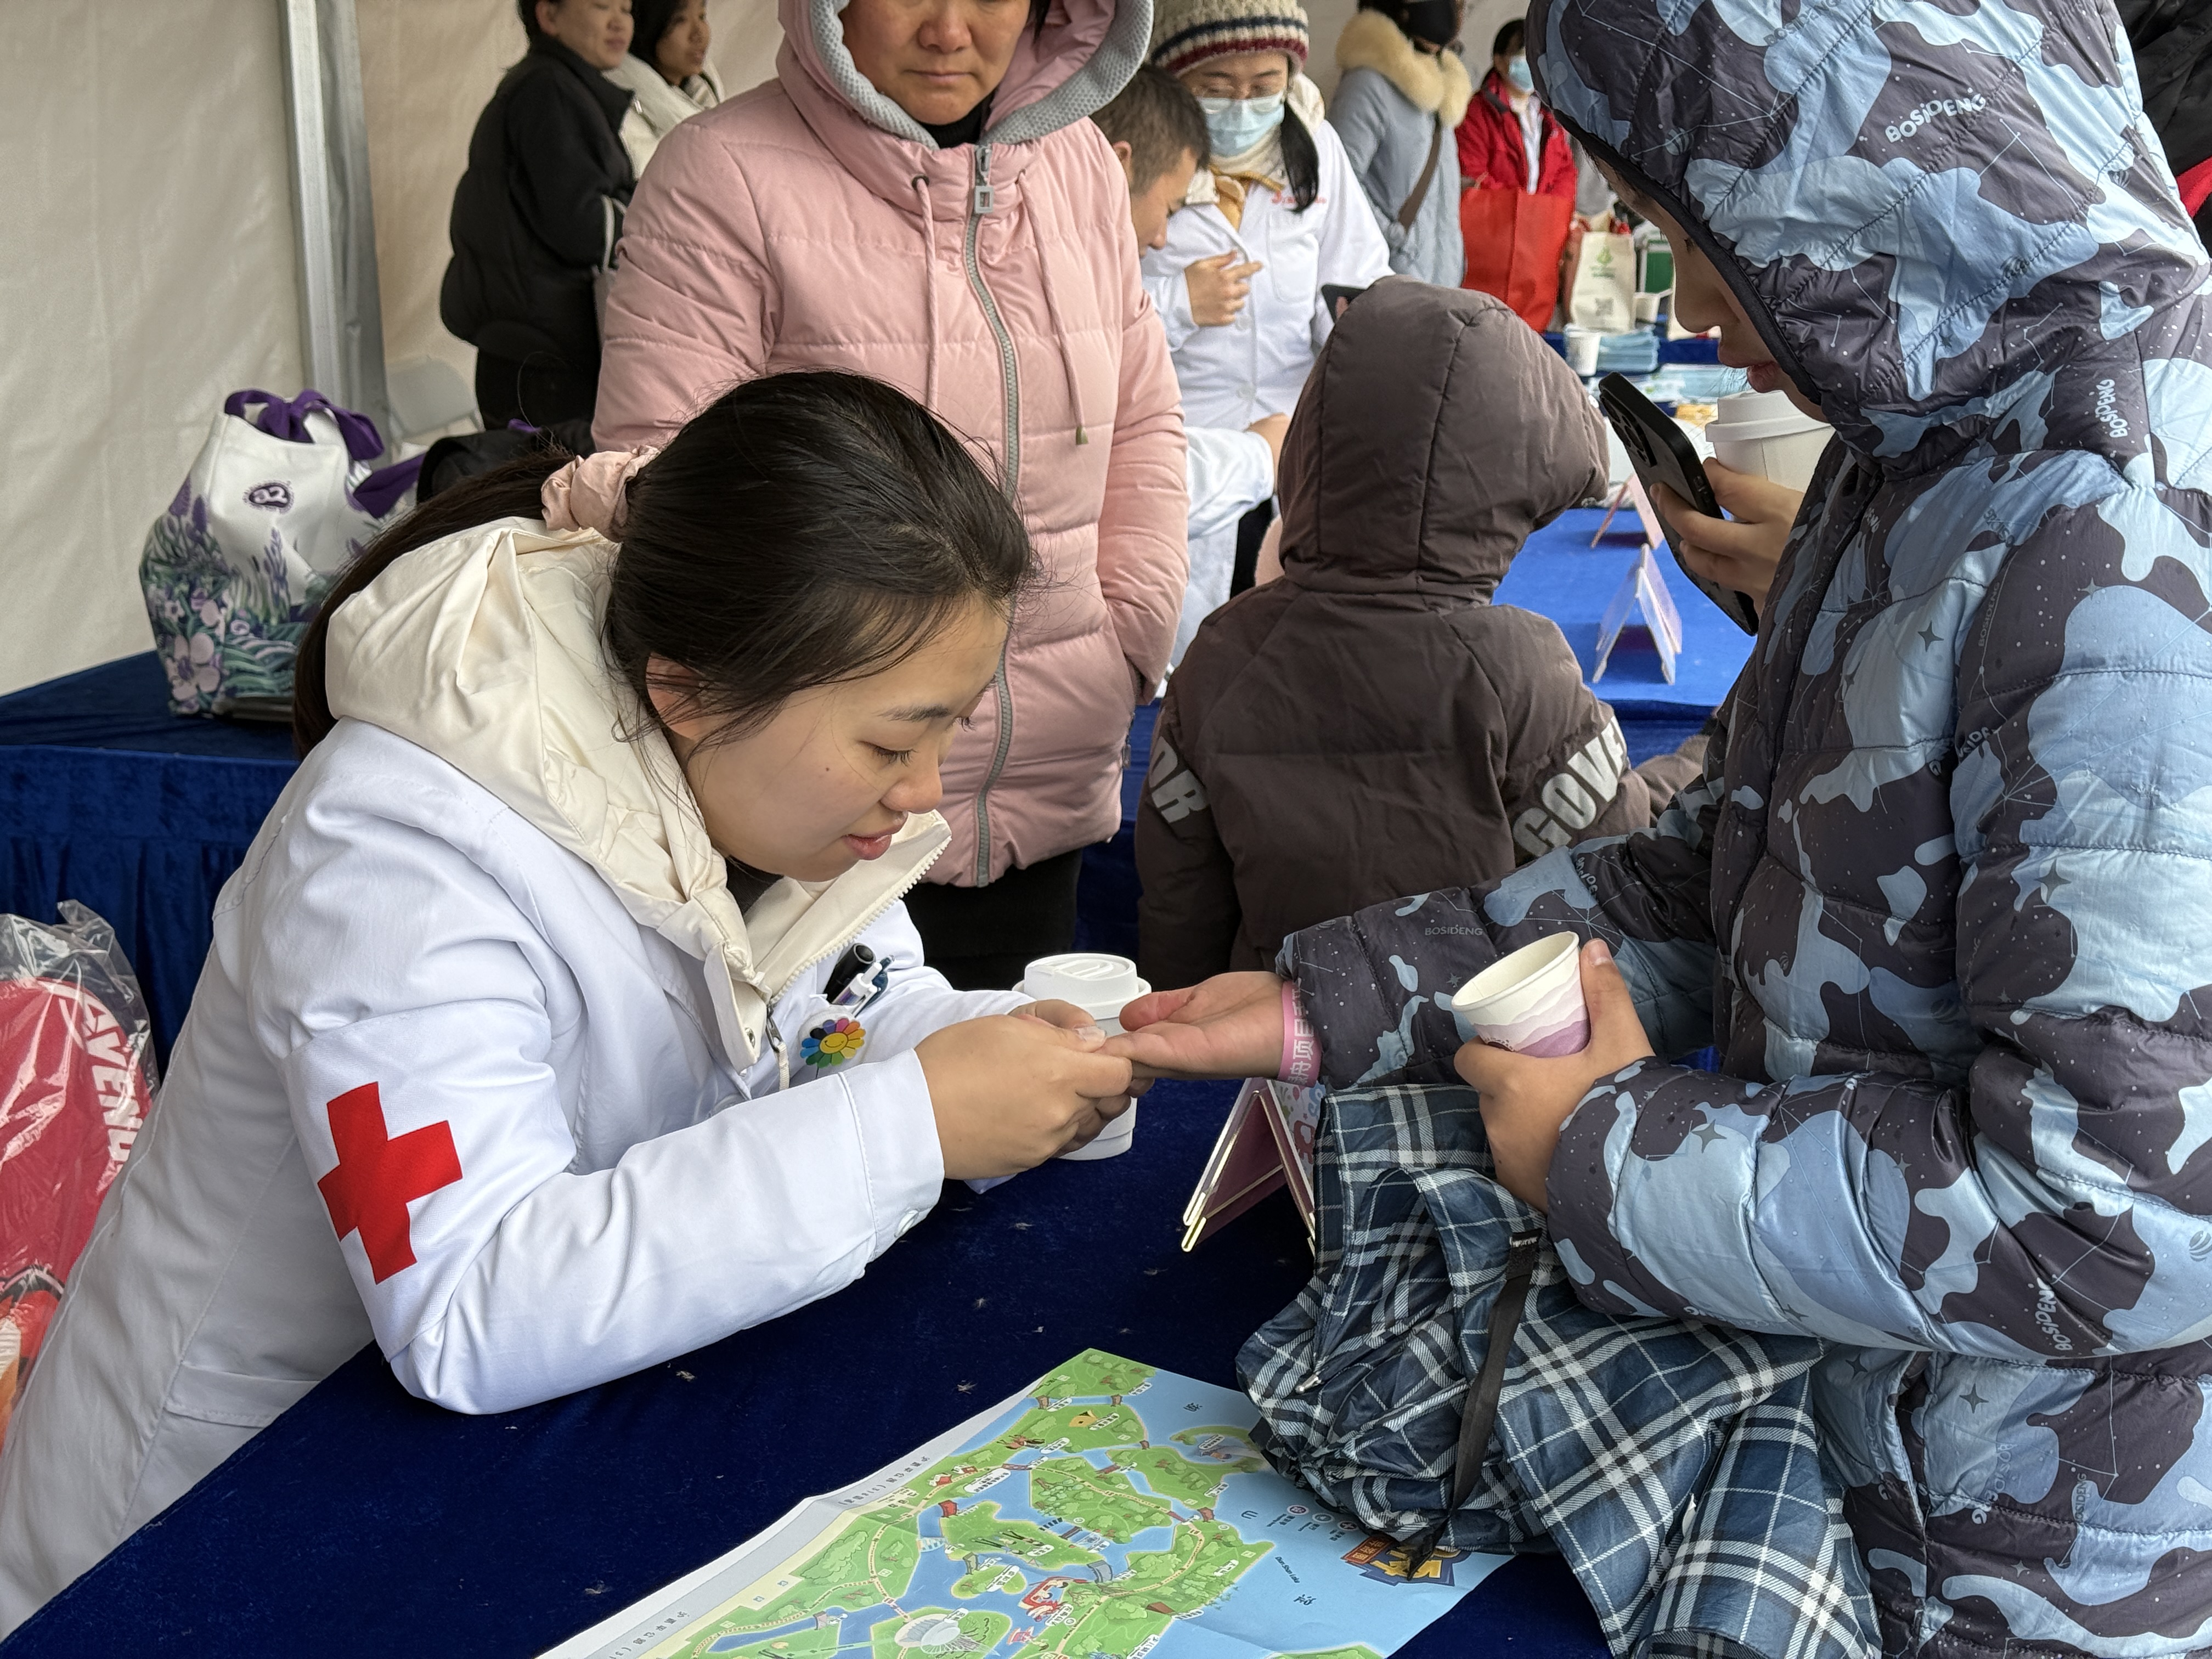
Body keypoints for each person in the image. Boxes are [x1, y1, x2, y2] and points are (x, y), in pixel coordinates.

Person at [1107, 0, 2212, 1649]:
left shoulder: (2121, 559)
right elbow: (1716, 878)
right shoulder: (1923, 459)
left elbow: (2120, 1211)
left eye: (1707, 236)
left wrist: (1609, 1153)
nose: (1695, 303)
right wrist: (1336, 998)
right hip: (1864, 1436)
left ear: (1879, 182)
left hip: (2018, 1560)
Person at [0, 373, 1137, 1629]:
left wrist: (987, 1052)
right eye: (890, 742)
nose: (924, 792)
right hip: (208, 1529)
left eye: (951, 730)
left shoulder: (756, 780)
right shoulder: (396, 861)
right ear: (685, 689)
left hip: (478, 1465)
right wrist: (912, 1124)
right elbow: (469, 1302)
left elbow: (836, 1011)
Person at [594, 0, 1187, 993]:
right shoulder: (722, 172)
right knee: (845, 1079)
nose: (949, 30)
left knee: (1022, 1068)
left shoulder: (1080, 164)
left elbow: (1144, 420)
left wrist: (1128, 633)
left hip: (1051, 772)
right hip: (817, 827)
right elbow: (668, 485)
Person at [1136, 281, 1699, 989]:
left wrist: (1182, 1027)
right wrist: (1712, 758)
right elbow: (1614, 869)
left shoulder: (1222, 655)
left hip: (1278, 1035)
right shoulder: (1517, 671)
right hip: (1475, 1044)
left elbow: (1180, 911)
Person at [1141, 0, 1392, 601]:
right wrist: (1177, 302)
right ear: (1174, 82)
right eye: (1216, 87)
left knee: (1284, 621)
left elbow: (1356, 279)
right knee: (1184, 629)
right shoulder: (1134, 159)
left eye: (1264, 87)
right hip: (1185, 455)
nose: (1242, 104)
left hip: (1294, 451)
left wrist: (1360, 337)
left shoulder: (1316, 148)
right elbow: (1085, 312)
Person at [1092, 64, 1289, 666]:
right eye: (1172, 208)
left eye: (1265, 85)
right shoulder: (1073, 291)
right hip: (1212, 473)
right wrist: (1260, 456)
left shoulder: (1314, 153)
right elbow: (1119, 473)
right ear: (1120, 166)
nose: (1161, 237)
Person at [442, 0, 639, 427]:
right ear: (549, 16)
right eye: (601, 4)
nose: (619, 21)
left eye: (626, 7)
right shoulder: (549, 89)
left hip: (532, 348)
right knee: (552, 472)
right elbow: (582, 226)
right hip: (544, 362)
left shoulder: (555, 84)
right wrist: (652, 214)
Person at [1330, 0, 1470, 286]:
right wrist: (1395, 239)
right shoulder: (1367, 84)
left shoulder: (1441, 85)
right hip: (1389, 282)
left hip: (1440, 281)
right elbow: (1339, 181)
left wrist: (1455, 256)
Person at [1453, 18, 1575, 330]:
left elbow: (1565, 171)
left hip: (1540, 244)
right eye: (1523, 56)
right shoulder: (1478, 111)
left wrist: (1542, 214)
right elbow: (1472, 173)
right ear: (1499, 61)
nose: (1531, 65)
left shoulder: (1549, 116)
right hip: (1492, 242)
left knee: (1533, 329)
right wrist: (1525, 210)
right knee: (1489, 325)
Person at [605, 0, 724, 179]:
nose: (699, 33)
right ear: (646, 27)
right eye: (679, 21)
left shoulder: (705, 92)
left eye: (702, 16)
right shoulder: (622, 117)